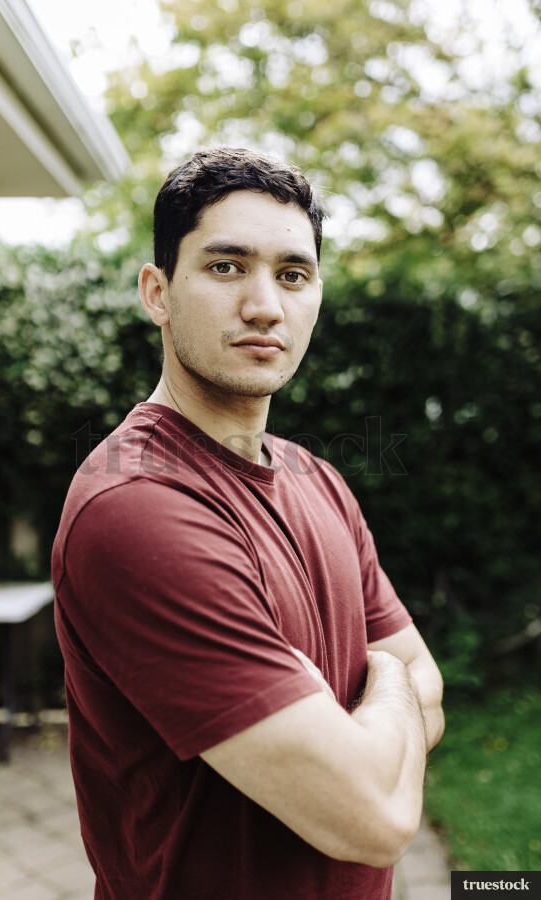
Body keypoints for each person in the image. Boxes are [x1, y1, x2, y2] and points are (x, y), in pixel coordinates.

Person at [52, 146, 444, 900]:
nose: (266, 305)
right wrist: (390, 683)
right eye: (227, 267)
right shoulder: (136, 509)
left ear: (316, 296)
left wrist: (384, 688)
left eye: (292, 274)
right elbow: (377, 814)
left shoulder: (317, 478)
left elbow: (430, 689)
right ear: (157, 292)